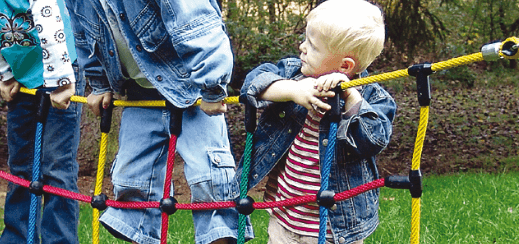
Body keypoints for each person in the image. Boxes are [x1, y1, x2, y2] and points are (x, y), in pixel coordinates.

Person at [67, 0, 252, 243]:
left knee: (210, 179)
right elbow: (83, 35)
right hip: (139, 92)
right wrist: (99, 83)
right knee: (131, 182)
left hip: (192, 88)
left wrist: (212, 84)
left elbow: (196, 21)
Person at [239, 0, 396, 243]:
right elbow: (252, 83)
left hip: (336, 226)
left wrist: (349, 94)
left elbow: (373, 140)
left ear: (345, 66)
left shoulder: (371, 96)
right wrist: (293, 91)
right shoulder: (294, 74)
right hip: (284, 216)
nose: (302, 47)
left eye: (312, 45)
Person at [0, 0, 83, 243]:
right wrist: (5, 74)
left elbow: (48, 14)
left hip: (63, 70)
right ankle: (18, 236)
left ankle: (60, 239)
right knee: (21, 163)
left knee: (56, 166)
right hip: (23, 76)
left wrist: (60, 80)